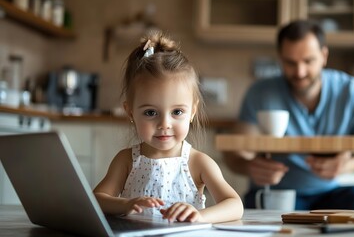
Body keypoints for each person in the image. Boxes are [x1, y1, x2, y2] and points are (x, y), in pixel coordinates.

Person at [224, 20, 354, 211]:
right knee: (257, 209)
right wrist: (250, 167)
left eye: (308, 61)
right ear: (280, 59)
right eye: (290, 62)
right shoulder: (260, 93)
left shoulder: (352, 92)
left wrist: (348, 165)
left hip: (328, 191)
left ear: (324, 56)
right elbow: (235, 153)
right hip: (277, 193)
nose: (299, 72)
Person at [93, 31, 243, 223]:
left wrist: (199, 216)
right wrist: (126, 204)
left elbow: (235, 204)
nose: (164, 124)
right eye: (150, 113)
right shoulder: (126, 160)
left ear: (192, 112)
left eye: (177, 112)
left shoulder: (198, 162)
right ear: (130, 112)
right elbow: (97, 200)